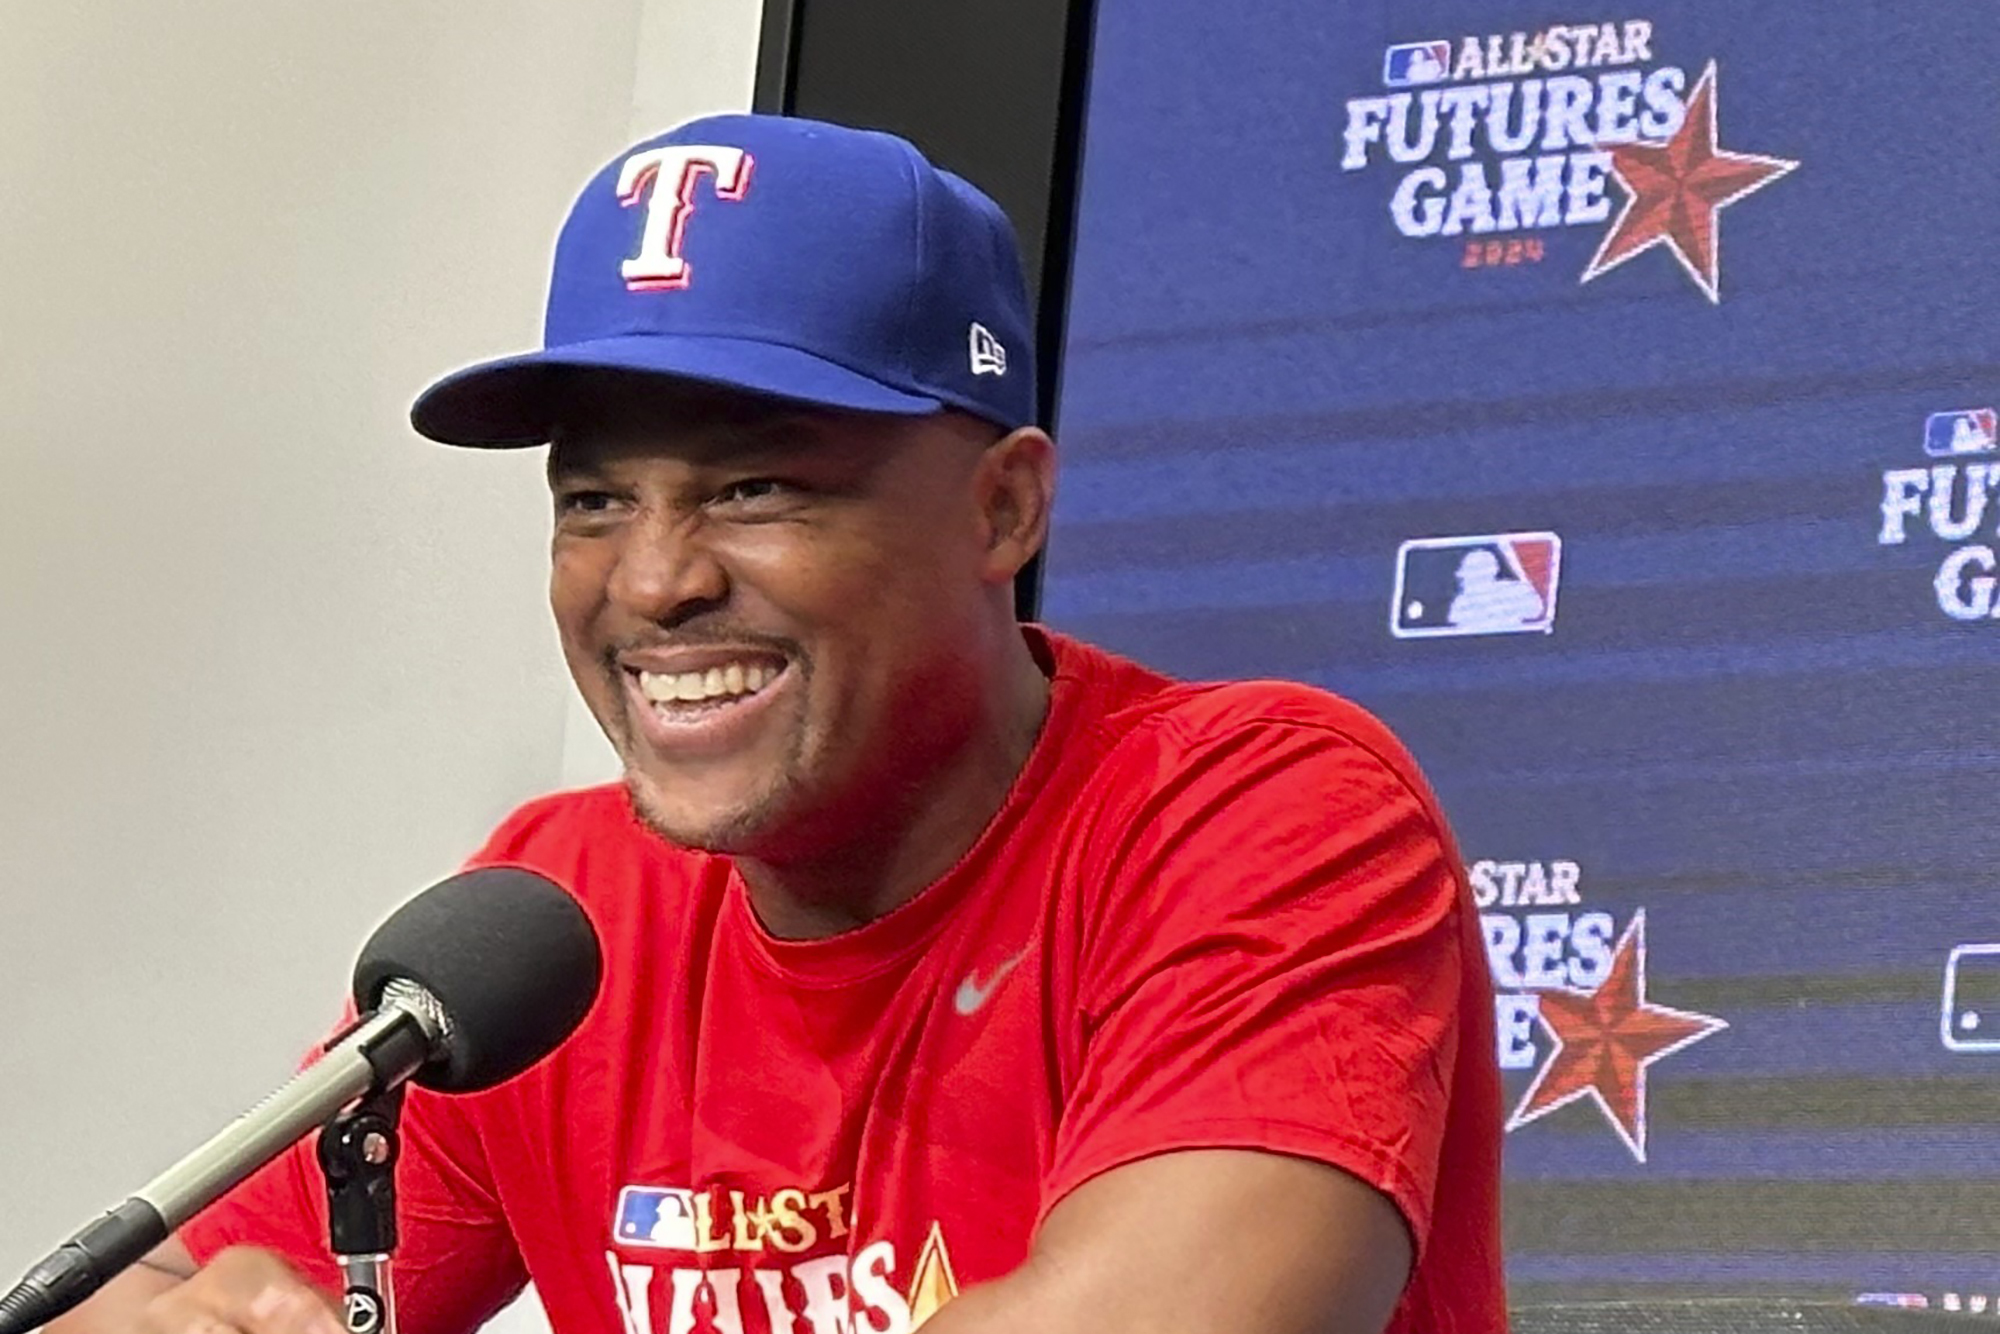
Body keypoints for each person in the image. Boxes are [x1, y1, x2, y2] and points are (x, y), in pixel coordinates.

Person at [56, 114, 1505, 1334]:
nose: (653, 581)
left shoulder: (1257, 814)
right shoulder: (560, 917)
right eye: (594, 499)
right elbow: (128, 1295)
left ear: (1003, 508)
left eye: (755, 488)